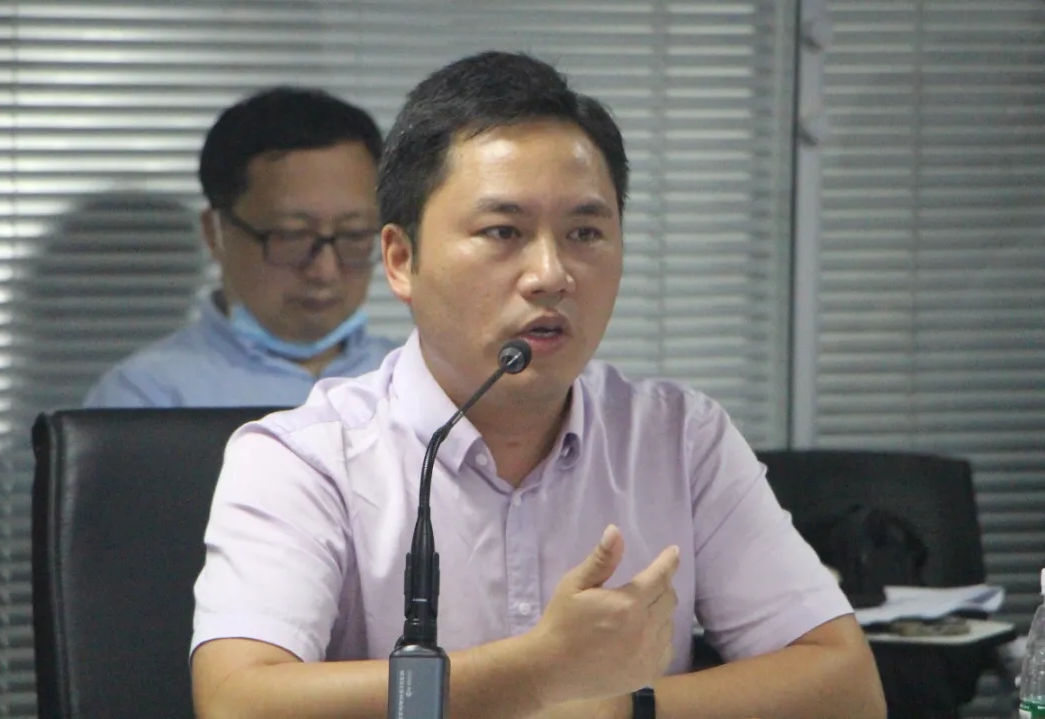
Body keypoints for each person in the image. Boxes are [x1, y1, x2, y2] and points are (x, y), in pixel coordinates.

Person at [190, 52, 886, 719]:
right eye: (504, 231)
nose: (551, 274)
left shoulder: (680, 438)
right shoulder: (304, 459)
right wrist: (536, 671)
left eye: (585, 232)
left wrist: (616, 709)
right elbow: (237, 701)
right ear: (401, 259)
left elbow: (846, 687)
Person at [84, 87, 397, 408]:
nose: (325, 271)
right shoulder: (148, 397)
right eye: (291, 236)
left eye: (355, 234)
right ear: (215, 232)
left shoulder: (410, 379)